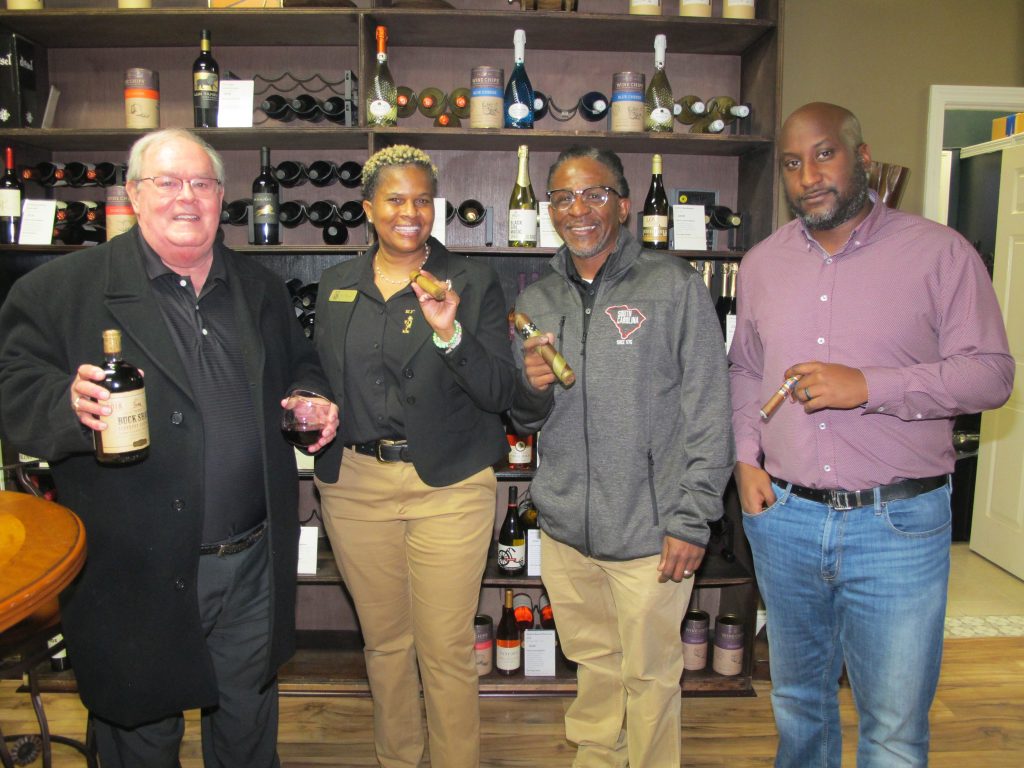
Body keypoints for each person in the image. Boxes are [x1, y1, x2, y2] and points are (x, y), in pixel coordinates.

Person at [0, 128, 338, 768]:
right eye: (168, 182)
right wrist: (66, 405)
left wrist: (309, 395)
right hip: (134, 571)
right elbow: (12, 391)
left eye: (202, 183)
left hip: (252, 564)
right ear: (133, 194)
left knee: (247, 732)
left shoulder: (260, 288)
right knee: (141, 739)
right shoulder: (58, 290)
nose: (187, 197)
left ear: (221, 197)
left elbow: (301, 364)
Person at [729, 102, 1014, 767]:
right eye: (792, 163)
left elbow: (991, 375)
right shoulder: (762, 263)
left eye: (824, 154)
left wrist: (870, 385)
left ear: (862, 157)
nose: (808, 176)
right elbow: (744, 369)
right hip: (786, 519)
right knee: (799, 705)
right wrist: (746, 457)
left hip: (899, 525)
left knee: (892, 727)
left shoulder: (940, 253)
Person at [509, 145, 733, 767]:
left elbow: (710, 410)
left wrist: (693, 519)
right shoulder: (537, 300)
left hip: (651, 532)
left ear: (624, 205)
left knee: (651, 676)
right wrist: (530, 387)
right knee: (594, 666)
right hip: (566, 532)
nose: (577, 209)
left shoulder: (673, 286)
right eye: (562, 197)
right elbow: (525, 420)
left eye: (594, 194)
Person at [312, 144, 515, 768]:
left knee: (445, 648)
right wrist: (308, 398)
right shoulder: (336, 283)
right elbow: (320, 372)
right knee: (384, 644)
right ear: (368, 208)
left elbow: (499, 391)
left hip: (448, 483)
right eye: (395, 199)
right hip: (354, 483)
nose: (410, 212)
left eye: (423, 200)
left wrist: (450, 333)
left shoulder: (470, 280)